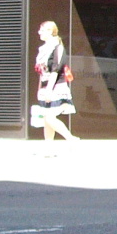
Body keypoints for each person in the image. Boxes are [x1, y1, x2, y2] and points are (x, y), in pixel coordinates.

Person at [31, 20, 79, 152]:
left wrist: (48, 90)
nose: (39, 32)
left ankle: (70, 138)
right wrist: (40, 89)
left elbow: (56, 70)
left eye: (42, 30)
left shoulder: (57, 47)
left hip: (56, 86)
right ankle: (48, 147)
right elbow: (42, 71)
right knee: (47, 119)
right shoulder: (43, 49)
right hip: (46, 85)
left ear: (50, 31)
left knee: (49, 117)